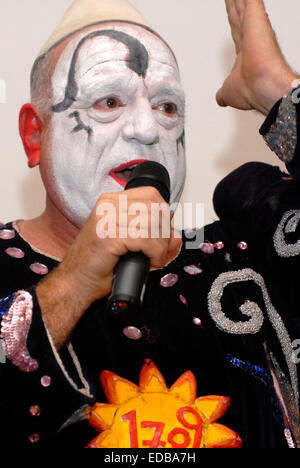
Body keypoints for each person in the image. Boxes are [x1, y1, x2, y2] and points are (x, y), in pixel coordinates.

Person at [0, 0, 300, 448]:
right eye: (108, 101)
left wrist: (277, 90)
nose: (145, 128)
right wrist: (76, 280)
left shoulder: (248, 257)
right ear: (34, 135)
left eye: (167, 107)